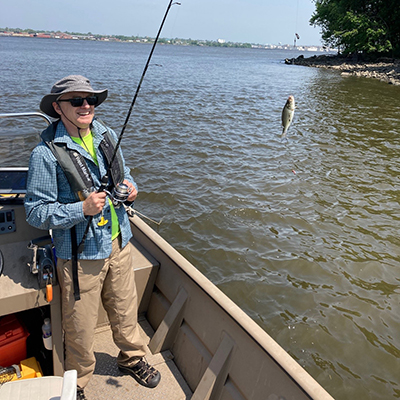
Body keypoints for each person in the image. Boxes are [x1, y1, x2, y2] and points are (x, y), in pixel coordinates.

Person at [25, 75, 161, 400]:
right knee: (80, 328)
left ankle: (131, 359)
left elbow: (124, 174)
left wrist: (130, 188)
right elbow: (35, 212)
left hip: (119, 241)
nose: (86, 106)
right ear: (58, 108)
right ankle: (79, 382)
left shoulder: (106, 134)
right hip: (80, 255)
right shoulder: (44, 155)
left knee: (126, 309)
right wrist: (80, 209)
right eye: (77, 101)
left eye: (91, 100)